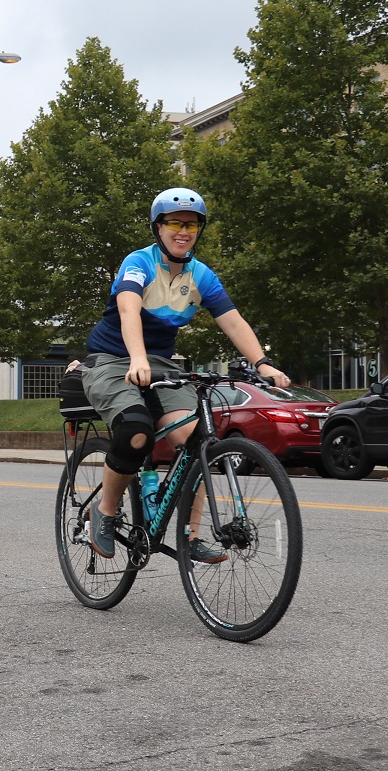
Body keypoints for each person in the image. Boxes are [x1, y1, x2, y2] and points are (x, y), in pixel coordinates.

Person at [80, 187, 291, 563]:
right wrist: (137, 358)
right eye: (175, 222)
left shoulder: (200, 275)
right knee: (135, 431)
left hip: (159, 364)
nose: (183, 230)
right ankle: (105, 512)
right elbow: (129, 312)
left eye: (192, 224)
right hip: (112, 359)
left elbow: (233, 321)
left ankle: (191, 536)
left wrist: (262, 363)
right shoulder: (138, 263)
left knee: (197, 441)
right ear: (158, 228)